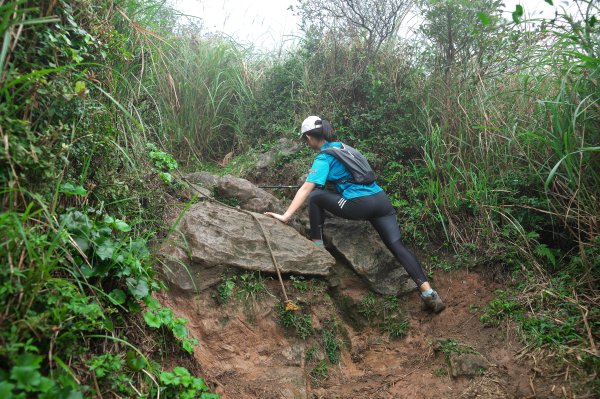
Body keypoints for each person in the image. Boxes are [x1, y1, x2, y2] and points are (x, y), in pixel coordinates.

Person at [264, 116, 446, 313]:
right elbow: (350, 175)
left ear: (309, 137)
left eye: (304, 139)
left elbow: (308, 188)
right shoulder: (344, 147)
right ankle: (428, 293)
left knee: (316, 196)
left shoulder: (324, 157)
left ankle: (317, 247)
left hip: (359, 204)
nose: (306, 143)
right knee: (397, 246)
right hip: (381, 200)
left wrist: (286, 216)